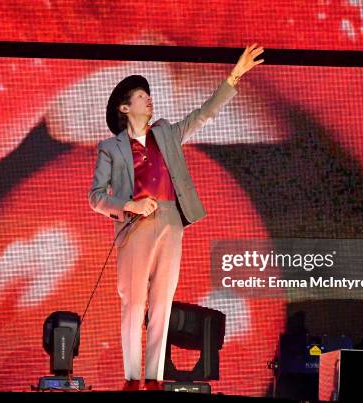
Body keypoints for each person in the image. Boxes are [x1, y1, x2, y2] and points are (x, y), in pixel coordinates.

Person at [88, 43, 264, 391]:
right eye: (141, 96)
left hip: (171, 220)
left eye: (148, 94)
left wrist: (233, 76)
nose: (148, 99)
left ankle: (153, 380)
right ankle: (131, 379)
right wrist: (131, 205)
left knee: (162, 303)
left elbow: (202, 115)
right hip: (136, 223)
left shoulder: (166, 132)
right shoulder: (110, 148)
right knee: (134, 301)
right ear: (125, 107)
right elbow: (96, 198)